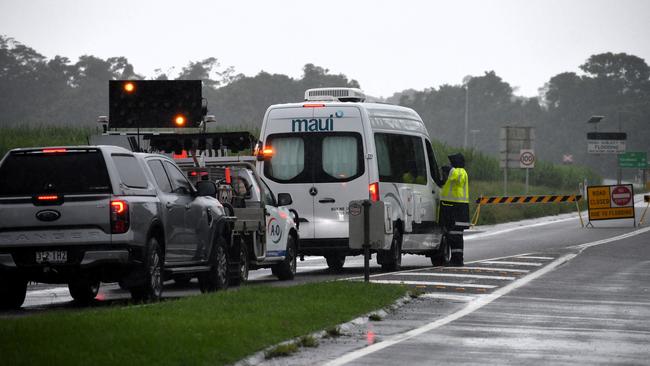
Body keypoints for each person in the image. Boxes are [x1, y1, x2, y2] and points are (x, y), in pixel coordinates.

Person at [439, 153, 470, 266]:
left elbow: (456, 176)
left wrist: (450, 169)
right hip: (454, 208)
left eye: (452, 163)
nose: (450, 164)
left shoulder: (461, 172)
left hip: (458, 209)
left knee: (456, 236)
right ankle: (456, 259)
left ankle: (457, 260)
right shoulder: (454, 174)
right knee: (453, 236)